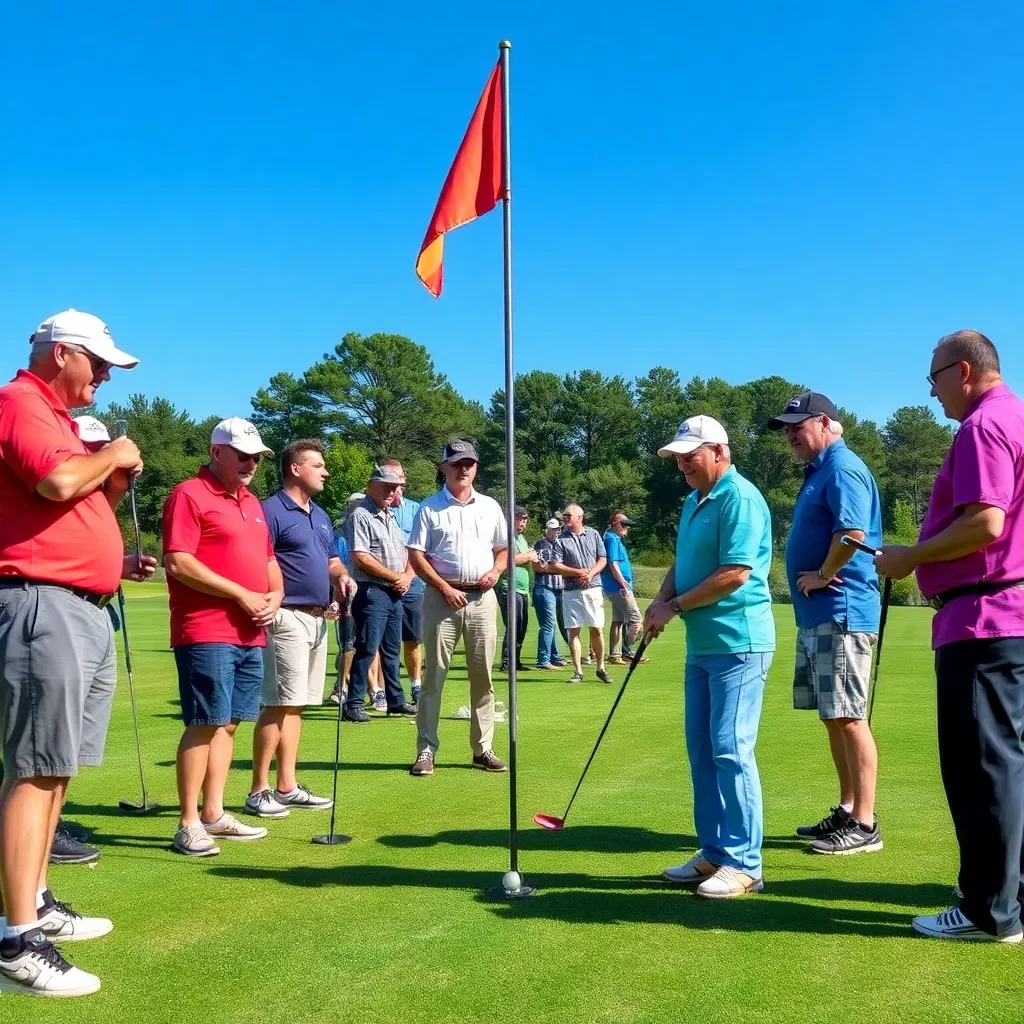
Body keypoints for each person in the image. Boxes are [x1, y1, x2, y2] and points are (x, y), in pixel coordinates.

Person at [0, 309, 151, 997]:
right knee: (35, 767)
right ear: (61, 354)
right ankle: (15, 940)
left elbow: (70, 498)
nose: (105, 378)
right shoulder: (19, 401)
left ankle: (35, 902)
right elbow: (57, 485)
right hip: (40, 603)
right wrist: (114, 455)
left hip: (80, 606)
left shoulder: (57, 421)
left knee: (57, 767)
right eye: (98, 364)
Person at [876, 331, 1024, 944]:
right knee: (1007, 763)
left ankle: (991, 911)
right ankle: (1005, 895)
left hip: (983, 618)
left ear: (963, 370)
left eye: (933, 378)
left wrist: (911, 556)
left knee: (982, 768)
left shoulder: (983, 426)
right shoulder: (1015, 416)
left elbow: (986, 523)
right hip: (1006, 616)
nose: (932, 394)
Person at [645, 415, 775, 899]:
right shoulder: (693, 501)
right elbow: (684, 562)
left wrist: (674, 606)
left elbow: (736, 572)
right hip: (703, 645)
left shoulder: (739, 497)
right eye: (677, 457)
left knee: (731, 749)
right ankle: (715, 851)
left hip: (739, 642)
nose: (682, 464)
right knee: (702, 750)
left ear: (719, 451)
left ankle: (746, 863)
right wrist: (659, 604)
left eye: (690, 455)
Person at [767, 392, 884, 855]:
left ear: (826, 423)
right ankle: (848, 807)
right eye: (787, 428)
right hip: (821, 615)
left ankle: (865, 823)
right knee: (833, 716)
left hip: (842, 611)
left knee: (850, 717)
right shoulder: (819, 471)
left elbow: (852, 533)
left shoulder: (842, 466)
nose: (791, 435)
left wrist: (824, 574)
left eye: (798, 425)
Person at [163, 417, 283, 857]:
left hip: (249, 630)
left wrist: (275, 594)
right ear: (217, 452)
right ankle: (188, 823)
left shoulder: (251, 501)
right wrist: (240, 593)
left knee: (230, 723)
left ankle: (213, 812)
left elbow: (268, 560)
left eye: (257, 456)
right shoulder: (188, 494)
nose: (252, 462)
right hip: (206, 628)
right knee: (205, 722)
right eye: (243, 454)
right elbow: (178, 561)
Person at [245, 439, 355, 818]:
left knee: (297, 705)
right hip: (285, 616)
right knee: (278, 704)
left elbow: (331, 560)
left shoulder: (320, 514)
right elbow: (258, 561)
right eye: (318, 465)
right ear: (296, 469)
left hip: (318, 617)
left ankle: (287, 785)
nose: (325, 471)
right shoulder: (269, 511)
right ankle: (259, 789)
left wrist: (341, 579)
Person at [407, 440, 508, 776]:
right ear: (444, 467)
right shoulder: (429, 508)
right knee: (433, 678)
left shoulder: (491, 506)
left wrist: (495, 571)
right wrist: (444, 587)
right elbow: (416, 556)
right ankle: (425, 750)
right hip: (441, 598)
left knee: (483, 679)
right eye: (456, 464)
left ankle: (483, 749)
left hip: (482, 599)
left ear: (476, 467)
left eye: (469, 463)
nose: (463, 469)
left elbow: (503, 550)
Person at [341, 465, 417, 724]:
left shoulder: (390, 515)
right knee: (367, 648)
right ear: (370, 484)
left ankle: (395, 700)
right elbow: (360, 557)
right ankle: (353, 704)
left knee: (392, 649)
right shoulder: (361, 515)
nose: (391, 491)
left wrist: (405, 577)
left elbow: (407, 553)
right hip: (372, 591)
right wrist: (396, 577)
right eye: (385, 485)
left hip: (394, 591)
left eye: (395, 487)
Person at [549, 505, 612, 685]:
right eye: (565, 515)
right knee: (573, 631)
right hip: (571, 590)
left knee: (596, 628)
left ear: (580, 517)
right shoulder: (561, 539)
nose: (566, 518)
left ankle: (600, 667)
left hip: (592, 588)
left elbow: (602, 558)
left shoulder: (593, 534)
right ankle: (578, 671)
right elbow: (556, 565)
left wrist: (590, 573)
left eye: (569, 515)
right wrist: (579, 572)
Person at [384, 460, 426, 704]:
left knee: (413, 637)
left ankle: (416, 686)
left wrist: (409, 576)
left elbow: (420, 548)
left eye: (400, 479)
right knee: (382, 641)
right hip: (382, 583)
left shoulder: (416, 509)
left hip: (412, 583)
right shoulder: (374, 509)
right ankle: (384, 692)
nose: (397, 485)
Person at [602, 512, 645, 666]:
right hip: (619, 587)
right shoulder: (611, 539)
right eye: (625, 524)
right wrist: (623, 583)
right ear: (616, 524)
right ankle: (627, 652)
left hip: (616, 586)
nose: (628, 528)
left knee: (618, 621)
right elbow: (613, 564)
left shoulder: (614, 539)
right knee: (636, 620)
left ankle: (615, 654)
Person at [499, 506, 538, 672]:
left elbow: (524, 556)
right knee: (513, 624)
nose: (523, 522)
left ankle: (516, 660)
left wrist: (531, 555)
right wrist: (528, 556)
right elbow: (505, 561)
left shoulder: (521, 538)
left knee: (522, 626)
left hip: (522, 589)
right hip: (509, 587)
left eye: (525, 519)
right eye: (520, 518)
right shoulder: (505, 537)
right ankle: (507, 661)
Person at [533, 517, 568, 670]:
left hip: (558, 589)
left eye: (558, 529)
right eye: (553, 529)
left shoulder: (559, 545)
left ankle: (554, 656)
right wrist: (559, 567)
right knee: (548, 624)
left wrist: (556, 567)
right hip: (544, 588)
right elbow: (541, 567)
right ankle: (543, 659)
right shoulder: (541, 544)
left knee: (554, 624)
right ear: (546, 530)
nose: (556, 532)